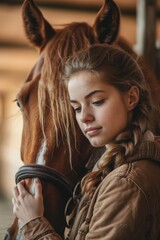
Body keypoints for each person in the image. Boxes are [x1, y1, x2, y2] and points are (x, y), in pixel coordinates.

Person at [12, 44, 160, 240]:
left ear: (131, 97)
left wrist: (34, 223)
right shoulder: (114, 169)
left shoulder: (127, 182)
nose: (84, 117)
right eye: (77, 108)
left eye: (97, 101)